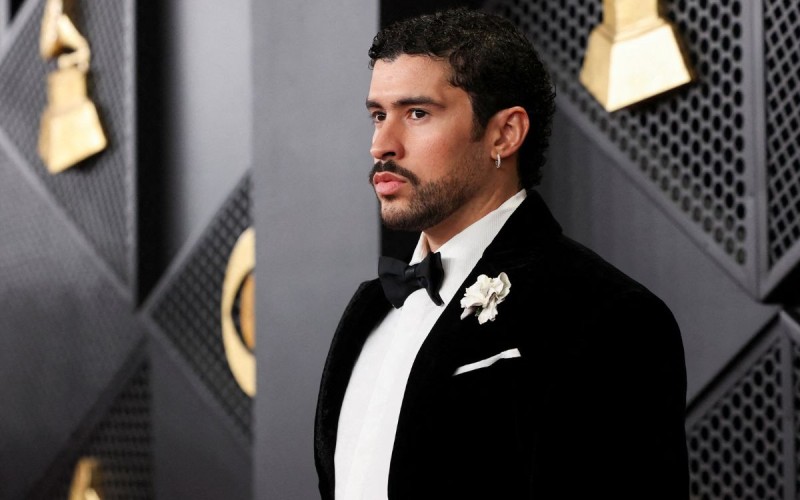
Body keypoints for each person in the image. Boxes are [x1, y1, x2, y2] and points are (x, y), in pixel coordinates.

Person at [315, 8, 688, 500]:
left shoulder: (607, 314)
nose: (382, 145)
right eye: (378, 115)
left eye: (417, 113)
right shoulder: (368, 311)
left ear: (504, 134)